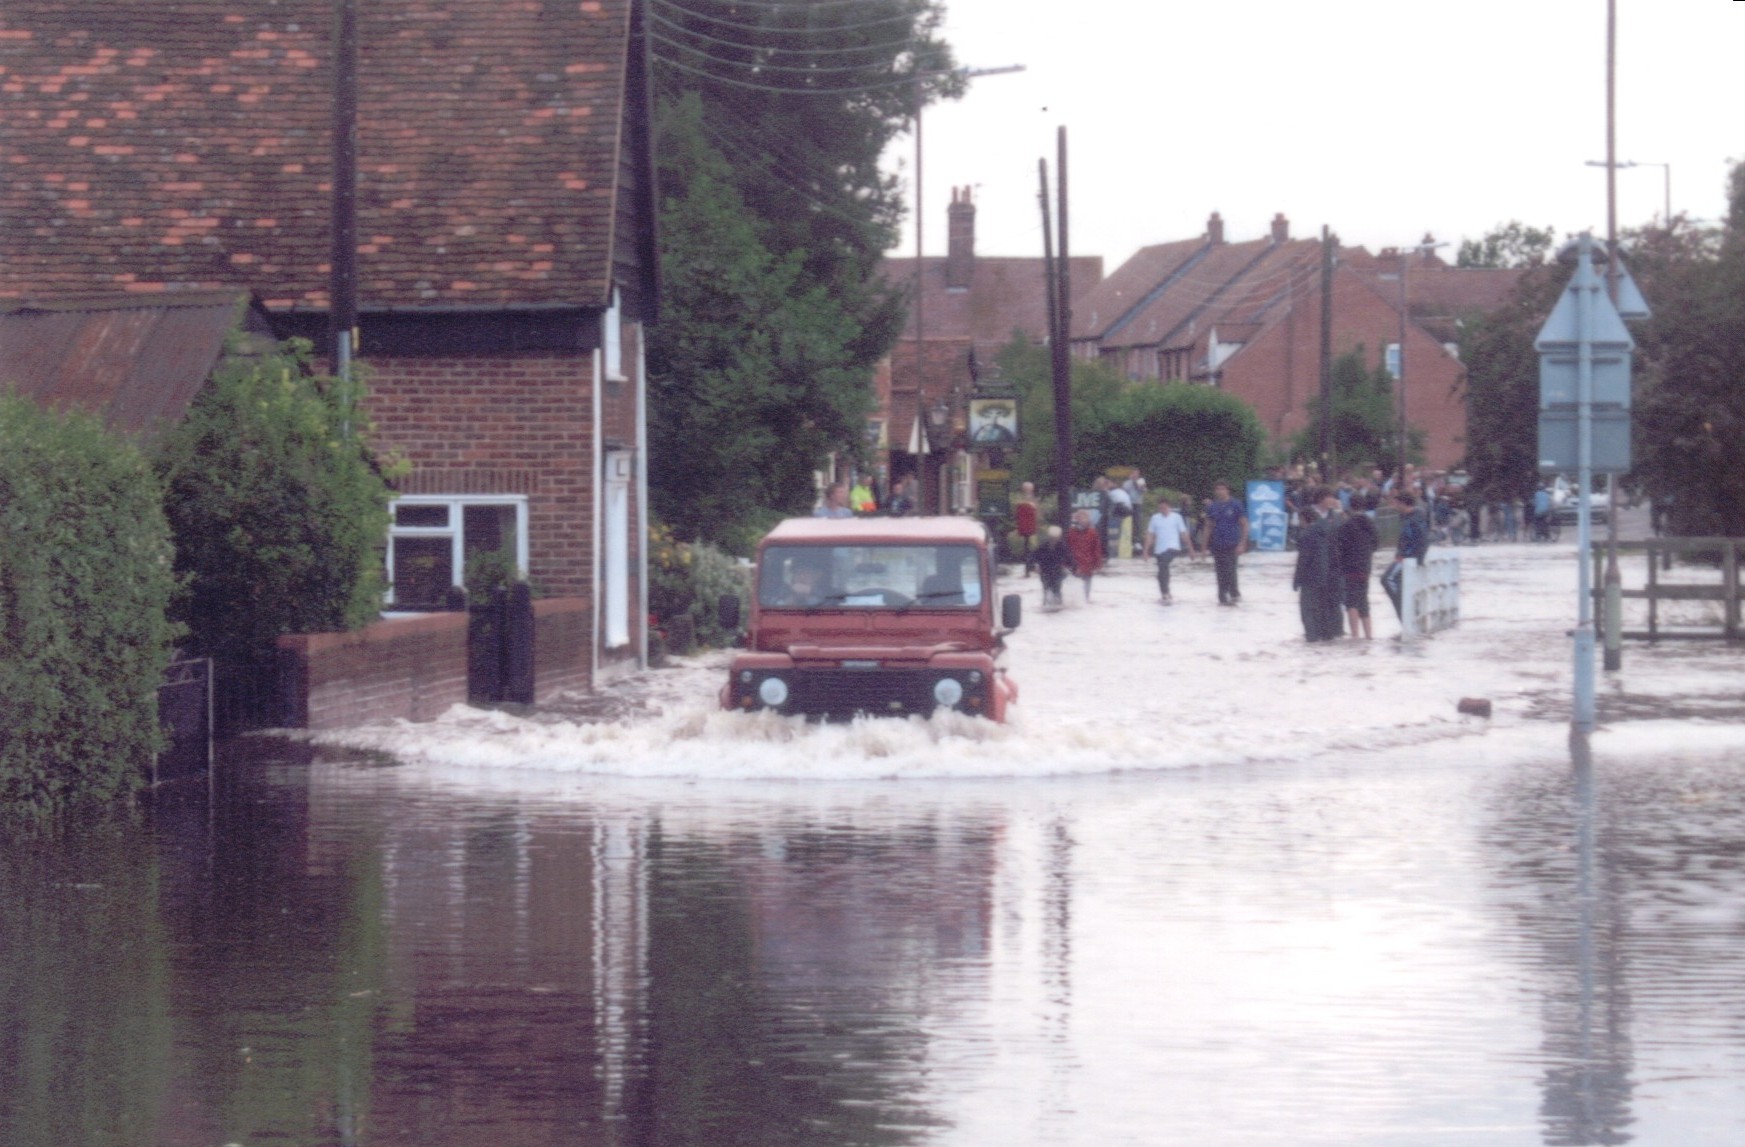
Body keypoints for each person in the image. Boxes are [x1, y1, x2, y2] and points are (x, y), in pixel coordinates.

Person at [1292, 487, 1345, 642]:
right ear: (1321, 499)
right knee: (1314, 606)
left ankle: (1333, 633)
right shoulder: (1306, 515)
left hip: (1333, 568)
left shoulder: (1337, 516)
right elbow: (1300, 544)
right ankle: (1317, 635)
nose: (1333, 500)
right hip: (1318, 570)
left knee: (1330, 604)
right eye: (1330, 497)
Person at [1381, 489, 1431, 620]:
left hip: (1408, 559)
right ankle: (1409, 615)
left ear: (1403, 503)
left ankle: (1406, 613)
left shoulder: (1413, 519)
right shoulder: (1411, 517)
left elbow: (1420, 541)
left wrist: (1406, 556)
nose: (1395, 507)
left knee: (1387, 579)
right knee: (1400, 584)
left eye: (1397, 504)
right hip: (1407, 558)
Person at [1198, 480, 1249, 606]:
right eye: (1218, 489)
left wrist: (1242, 543)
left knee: (1230, 570)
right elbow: (1208, 527)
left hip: (1233, 543)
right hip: (1217, 544)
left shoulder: (1236, 504)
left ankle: (1233, 593)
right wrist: (1203, 548)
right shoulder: (1212, 507)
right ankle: (1222, 597)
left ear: (1227, 490)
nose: (1220, 491)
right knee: (1220, 571)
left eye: (1223, 489)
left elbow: (1244, 524)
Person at [1143, 495, 1197, 605]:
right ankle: (1165, 592)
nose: (1162, 510)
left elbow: (1183, 534)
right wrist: (1146, 551)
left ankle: (1165, 593)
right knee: (1161, 571)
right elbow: (1150, 535)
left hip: (1173, 547)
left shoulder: (1176, 517)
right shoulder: (1155, 518)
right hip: (1159, 549)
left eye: (1164, 508)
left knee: (1163, 565)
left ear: (1169, 507)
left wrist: (1191, 549)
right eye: (1160, 508)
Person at [1337, 503, 1379, 639]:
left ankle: (1355, 635)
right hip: (1365, 567)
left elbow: (1339, 545)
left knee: (1351, 602)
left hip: (1349, 567)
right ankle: (1369, 635)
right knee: (1363, 600)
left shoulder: (1346, 525)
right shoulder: (1370, 524)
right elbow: (1376, 544)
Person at [1066, 508, 1104, 602]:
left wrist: (1098, 565)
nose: (1083, 521)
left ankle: (1084, 603)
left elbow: (1097, 550)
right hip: (1075, 567)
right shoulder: (1071, 532)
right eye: (1081, 519)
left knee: (1086, 595)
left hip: (1088, 567)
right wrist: (1066, 564)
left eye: (1085, 518)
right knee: (1073, 592)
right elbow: (1067, 549)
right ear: (1077, 520)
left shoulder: (1093, 533)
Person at [1033, 524, 1069, 607]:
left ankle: (1058, 605)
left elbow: (1069, 557)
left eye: (1056, 538)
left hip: (1057, 572)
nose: (1054, 540)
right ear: (1049, 537)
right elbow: (1034, 556)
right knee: (1046, 589)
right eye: (1052, 538)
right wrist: (1035, 565)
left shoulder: (1062, 546)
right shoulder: (1042, 546)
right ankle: (1046, 605)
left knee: (1057, 590)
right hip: (1045, 571)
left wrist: (1074, 567)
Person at [1014, 481, 1039, 575]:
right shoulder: (1020, 498)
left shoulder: (1035, 499)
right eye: (1026, 488)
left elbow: (1037, 511)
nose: (1027, 490)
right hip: (1023, 527)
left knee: (1032, 547)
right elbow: (1018, 509)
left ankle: (1030, 566)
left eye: (1029, 488)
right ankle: (1028, 567)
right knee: (1026, 548)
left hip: (1032, 527)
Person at [1108, 479, 1134, 561]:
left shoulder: (1112, 493)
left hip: (1123, 509)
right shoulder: (1121, 491)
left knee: (1113, 506)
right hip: (1129, 510)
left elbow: (1106, 500)